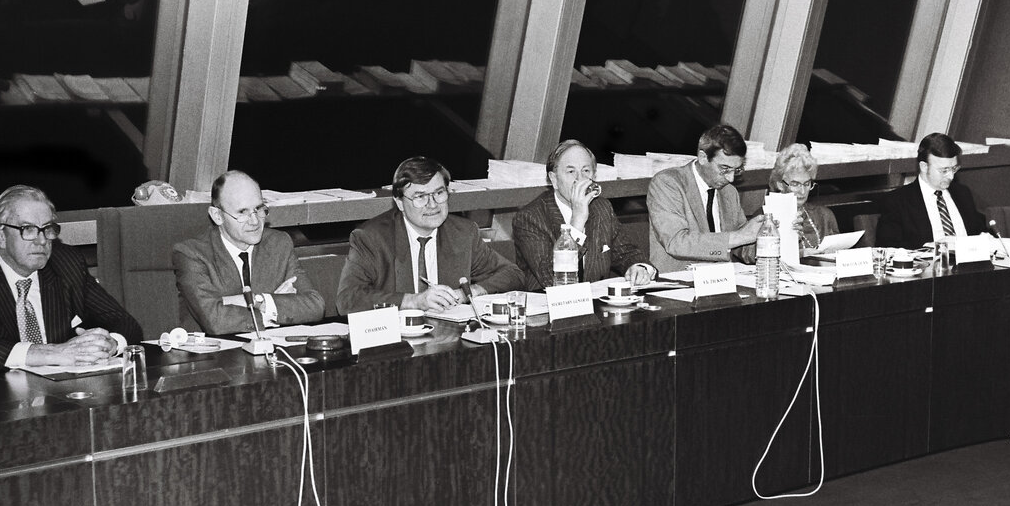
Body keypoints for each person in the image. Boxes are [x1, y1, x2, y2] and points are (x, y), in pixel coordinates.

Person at [0, 185, 142, 371]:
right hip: (2, 392)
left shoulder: (66, 262)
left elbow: (124, 322)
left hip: (64, 388)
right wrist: (52, 353)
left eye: (47, 229)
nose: (42, 240)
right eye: (28, 229)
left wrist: (109, 344)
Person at [336, 156, 524, 314]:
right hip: (395, 343)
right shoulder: (371, 238)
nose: (432, 204)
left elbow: (513, 274)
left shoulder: (463, 233)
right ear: (400, 202)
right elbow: (348, 299)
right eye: (420, 197)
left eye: (439, 193)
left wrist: (468, 292)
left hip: (449, 337)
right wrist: (414, 301)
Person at [172, 170, 326, 334]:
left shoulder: (279, 244)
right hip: (213, 355)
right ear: (217, 216)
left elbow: (315, 306)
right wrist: (274, 304)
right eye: (242, 212)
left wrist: (260, 300)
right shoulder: (191, 254)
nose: (254, 221)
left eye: (259, 209)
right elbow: (215, 320)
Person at [513, 140, 656, 290]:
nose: (580, 179)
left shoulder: (601, 207)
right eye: (571, 171)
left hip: (596, 304)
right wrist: (577, 221)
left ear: (594, 175)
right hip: (550, 307)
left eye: (585, 171)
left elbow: (625, 251)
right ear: (554, 180)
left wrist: (638, 267)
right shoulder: (530, 218)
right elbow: (550, 279)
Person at [647, 123, 764, 273]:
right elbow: (676, 242)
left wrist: (770, 238)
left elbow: (741, 248)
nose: (731, 178)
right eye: (725, 169)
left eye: (737, 170)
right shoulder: (668, 183)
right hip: (679, 285)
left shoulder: (729, 192)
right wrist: (740, 237)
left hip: (720, 282)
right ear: (703, 157)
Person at [875, 132, 986, 249]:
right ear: (924, 166)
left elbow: (979, 231)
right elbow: (886, 246)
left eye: (954, 168)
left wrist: (986, 237)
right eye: (944, 170)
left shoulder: (962, 193)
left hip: (969, 264)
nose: (951, 176)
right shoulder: (897, 201)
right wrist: (928, 247)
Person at [768, 144, 839, 252]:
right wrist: (799, 255)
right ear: (780, 185)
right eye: (795, 184)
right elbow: (755, 255)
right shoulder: (766, 217)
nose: (802, 191)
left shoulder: (824, 215)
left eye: (806, 184)